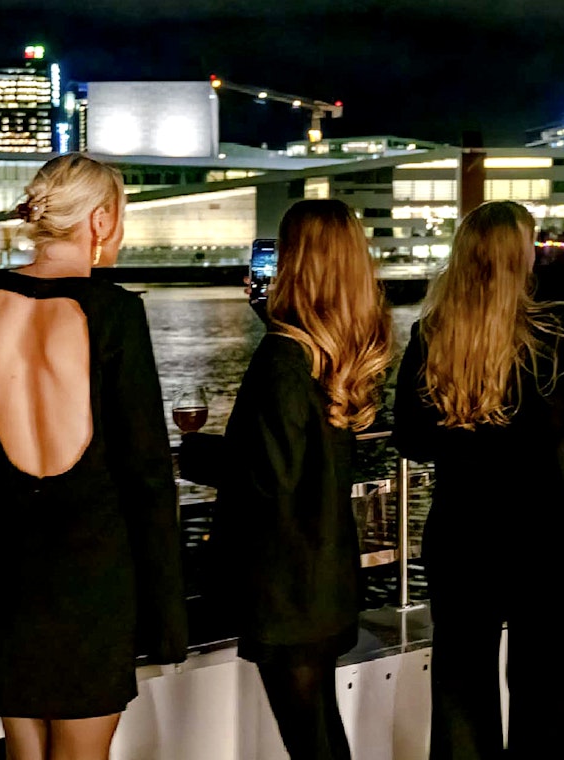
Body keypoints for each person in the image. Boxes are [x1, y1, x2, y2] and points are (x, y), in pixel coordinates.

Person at [0, 153, 187, 760]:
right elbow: (148, 473)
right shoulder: (115, 310)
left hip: (4, 555)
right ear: (99, 220)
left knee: (24, 750)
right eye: (119, 214)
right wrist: (167, 612)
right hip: (91, 563)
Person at [392, 200, 564, 759]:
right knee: (544, 689)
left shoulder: (432, 335)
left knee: (461, 684)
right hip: (546, 531)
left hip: (463, 530)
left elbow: (410, 439)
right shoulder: (556, 331)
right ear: (520, 257)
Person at [180, 199, 392, 760]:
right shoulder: (340, 351)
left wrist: (191, 455)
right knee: (319, 731)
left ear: (298, 259)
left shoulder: (282, 355)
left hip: (285, 582)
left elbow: (266, 474)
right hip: (326, 570)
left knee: (310, 739)